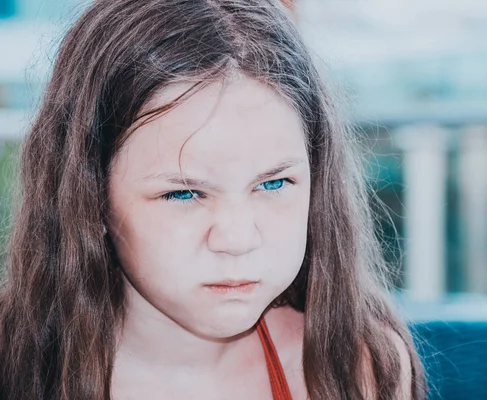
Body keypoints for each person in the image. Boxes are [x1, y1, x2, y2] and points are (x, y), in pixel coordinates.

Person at [0, 0, 426, 398]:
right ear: (89, 196)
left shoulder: (359, 366)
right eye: (184, 192)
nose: (238, 238)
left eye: (274, 184)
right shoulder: (17, 369)